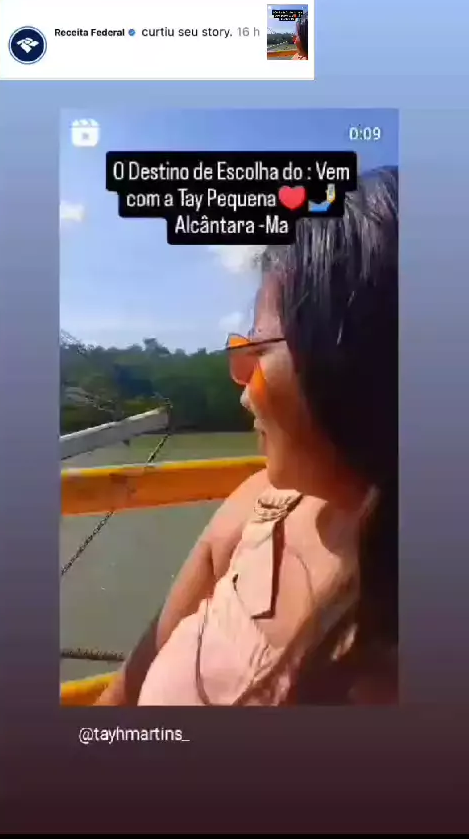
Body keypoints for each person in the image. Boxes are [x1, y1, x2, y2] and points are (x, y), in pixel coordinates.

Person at [97, 166, 398, 706]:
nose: (243, 395)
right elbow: (124, 693)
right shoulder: (259, 503)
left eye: (254, 353)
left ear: (349, 364)